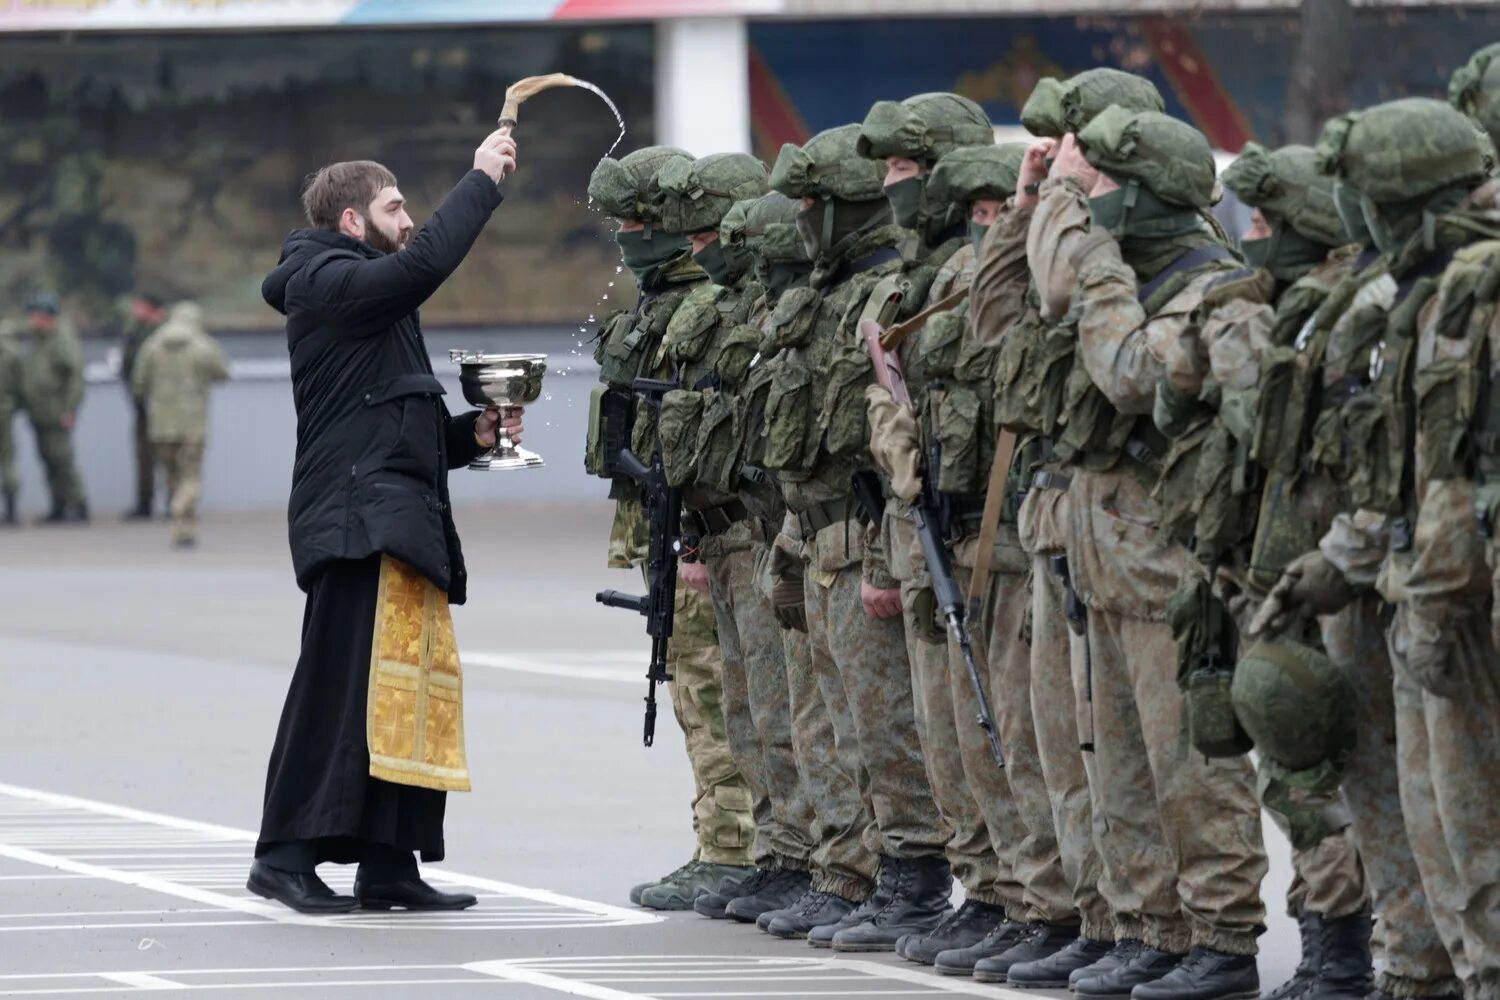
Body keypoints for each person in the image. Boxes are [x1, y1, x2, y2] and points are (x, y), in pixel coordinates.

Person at [1255, 97, 1500, 1000]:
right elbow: (1393, 470)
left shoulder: (1475, 295)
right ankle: (1431, 976)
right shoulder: (1423, 295)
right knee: (1434, 826)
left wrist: (1429, 598)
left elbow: (1456, 479)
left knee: (1473, 835)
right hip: (1417, 594)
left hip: (1458, 604)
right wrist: (1339, 563)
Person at [1026, 107, 1270, 999]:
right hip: (1100, 554)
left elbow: (1130, 374)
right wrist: (1039, 212)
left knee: (1190, 767)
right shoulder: (1122, 277)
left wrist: (1091, 267)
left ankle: (1221, 935)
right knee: (1117, 762)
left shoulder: (1214, 292)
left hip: (1170, 567)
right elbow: (1022, 327)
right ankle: (1146, 924)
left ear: (1145, 198)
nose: (1085, 210)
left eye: (1096, 190)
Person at [249, 135, 522, 914]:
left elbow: (399, 431)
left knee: (405, 696)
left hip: (393, 517)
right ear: (350, 220)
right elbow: (423, 266)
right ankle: (284, 854)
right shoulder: (325, 279)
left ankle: (388, 860)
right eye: (395, 207)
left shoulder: (370, 297)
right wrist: (480, 181)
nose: (408, 221)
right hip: (354, 522)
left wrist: (473, 434)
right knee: (340, 693)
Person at [764, 123, 952, 951]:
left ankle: (910, 882)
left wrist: (879, 554)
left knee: (885, 726)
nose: (806, 218)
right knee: (835, 724)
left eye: (818, 204)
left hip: (863, 530)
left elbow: (889, 442)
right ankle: (859, 873)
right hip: (815, 535)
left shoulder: (886, 292)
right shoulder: (829, 292)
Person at [645, 152, 821, 924]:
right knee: (751, 711)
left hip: (768, 536)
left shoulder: (782, 309)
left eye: (713, 233)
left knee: (795, 713)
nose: (701, 249)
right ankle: (781, 855)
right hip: (726, 536)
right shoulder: (726, 309)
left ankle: (823, 863)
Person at [586, 146, 758, 911]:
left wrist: (688, 533)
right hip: (667, 521)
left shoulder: (701, 303)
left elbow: (703, 433)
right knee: (695, 689)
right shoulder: (662, 299)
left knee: (709, 688)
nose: (625, 234)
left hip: (702, 527)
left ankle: (734, 848)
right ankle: (719, 843)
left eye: (634, 220)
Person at [130, 301, 230, 548]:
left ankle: (182, 529)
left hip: (160, 425)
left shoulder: (152, 345)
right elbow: (222, 372)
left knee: (172, 476)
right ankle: (179, 512)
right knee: (190, 476)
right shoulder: (202, 346)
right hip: (192, 423)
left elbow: (138, 382)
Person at [20, 293, 87, 525]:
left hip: (56, 412)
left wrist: (69, 409)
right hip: (40, 413)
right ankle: (58, 506)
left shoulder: (61, 341)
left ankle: (78, 505)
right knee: (48, 462)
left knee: (63, 461)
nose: (31, 320)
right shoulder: (40, 341)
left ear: (47, 317)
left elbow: (75, 378)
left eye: (35, 316)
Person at [120, 292, 168, 521]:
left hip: (165, 405)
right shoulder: (135, 332)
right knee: (143, 455)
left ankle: (174, 503)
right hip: (142, 404)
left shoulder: (166, 333)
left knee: (170, 455)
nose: (135, 311)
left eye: (140, 306)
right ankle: (144, 503)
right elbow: (127, 365)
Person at [0, 317, 23, 526]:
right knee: (7, 460)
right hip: (5, 411)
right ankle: (11, 510)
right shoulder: (12, 351)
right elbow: (21, 383)